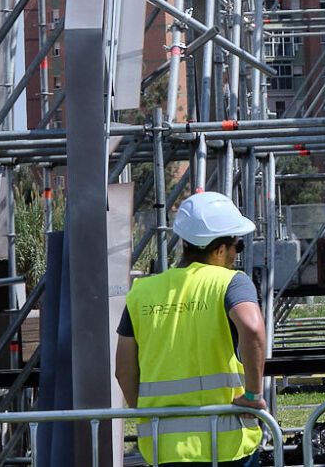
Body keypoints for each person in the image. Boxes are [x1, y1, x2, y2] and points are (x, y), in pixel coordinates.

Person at [116, 191, 269, 467]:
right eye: (238, 246)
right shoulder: (231, 282)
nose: (237, 254)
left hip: (163, 448)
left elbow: (123, 370)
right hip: (224, 445)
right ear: (220, 249)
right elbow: (253, 328)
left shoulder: (142, 293)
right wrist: (253, 395)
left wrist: (147, 411)